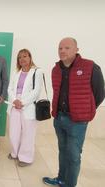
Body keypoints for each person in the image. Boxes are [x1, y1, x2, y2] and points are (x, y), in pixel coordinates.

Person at [43, 37, 105, 187]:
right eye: (60, 48)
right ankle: (61, 179)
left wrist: (86, 109)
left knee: (73, 156)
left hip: (77, 122)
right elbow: (57, 92)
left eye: (67, 47)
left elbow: (100, 93)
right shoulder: (56, 69)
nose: (62, 51)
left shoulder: (90, 67)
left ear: (77, 49)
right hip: (59, 118)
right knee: (62, 152)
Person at [7, 49, 43, 167]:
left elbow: (36, 91)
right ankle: (14, 153)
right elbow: (10, 89)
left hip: (28, 106)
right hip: (14, 104)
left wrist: (22, 102)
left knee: (28, 133)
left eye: (25, 56)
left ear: (30, 57)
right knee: (14, 132)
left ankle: (26, 158)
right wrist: (15, 100)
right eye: (20, 57)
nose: (22, 59)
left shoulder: (37, 72)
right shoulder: (16, 72)